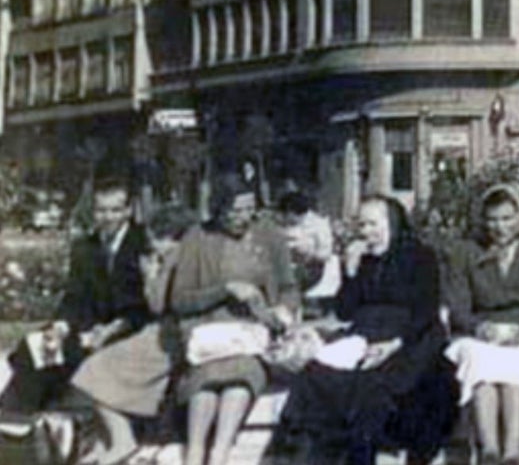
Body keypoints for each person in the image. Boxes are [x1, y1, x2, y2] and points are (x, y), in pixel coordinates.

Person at [274, 194, 458, 465]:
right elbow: (345, 311)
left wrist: (394, 344)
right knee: (314, 376)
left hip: (411, 340)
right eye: (362, 226)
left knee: (371, 390)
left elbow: (426, 311)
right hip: (364, 337)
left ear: (392, 223)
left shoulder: (420, 256)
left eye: (373, 224)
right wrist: (349, 271)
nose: (366, 232)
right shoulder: (364, 260)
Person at [170, 171, 298, 465]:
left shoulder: (269, 235)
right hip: (208, 335)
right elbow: (180, 300)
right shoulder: (198, 238)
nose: (244, 217)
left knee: (241, 376)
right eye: (235, 211)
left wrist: (283, 311)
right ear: (218, 209)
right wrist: (224, 290)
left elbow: (289, 289)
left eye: (249, 209)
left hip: (252, 334)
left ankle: (220, 454)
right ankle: (195, 452)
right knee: (206, 380)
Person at [0, 178, 150, 414]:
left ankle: (22, 417)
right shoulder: (85, 248)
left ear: (128, 211)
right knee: (36, 346)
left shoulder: (143, 244)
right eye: (101, 210)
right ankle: (17, 422)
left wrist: (111, 329)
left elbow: (145, 304)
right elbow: (74, 297)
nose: (107, 217)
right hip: (87, 327)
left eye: (115, 210)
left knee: (60, 356)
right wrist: (60, 326)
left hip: (130, 328)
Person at [72, 203, 196, 465]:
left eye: (156, 241)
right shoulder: (189, 256)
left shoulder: (176, 260)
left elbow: (157, 304)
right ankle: (108, 440)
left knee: (94, 368)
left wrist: (150, 276)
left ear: (172, 237)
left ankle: (121, 440)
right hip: (165, 333)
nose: (153, 248)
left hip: (167, 338)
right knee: (100, 362)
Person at [445, 183, 519, 465]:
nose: (500, 227)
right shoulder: (465, 251)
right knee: (481, 364)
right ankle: (490, 451)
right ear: (482, 220)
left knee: (517, 368)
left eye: (507, 218)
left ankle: (511, 454)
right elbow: (458, 307)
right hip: (479, 330)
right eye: (492, 219)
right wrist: (480, 329)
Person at [277, 190, 341, 303]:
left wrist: (309, 253)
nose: (285, 218)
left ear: (292, 212)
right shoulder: (286, 225)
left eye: (286, 214)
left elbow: (326, 254)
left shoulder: (318, 225)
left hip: (311, 268)